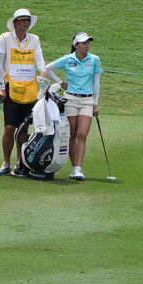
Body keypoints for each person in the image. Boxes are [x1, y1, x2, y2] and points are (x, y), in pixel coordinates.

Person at [0, 9, 49, 177]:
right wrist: (1, 87)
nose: (26, 23)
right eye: (22, 20)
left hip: (29, 89)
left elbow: (39, 61)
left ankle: (20, 163)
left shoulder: (34, 39)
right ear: (15, 22)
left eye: (28, 20)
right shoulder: (4, 38)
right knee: (10, 127)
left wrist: (43, 74)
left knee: (24, 128)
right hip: (11, 87)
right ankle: (6, 162)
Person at [46, 34, 103, 181]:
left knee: (82, 134)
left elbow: (97, 83)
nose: (87, 45)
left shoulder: (94, 59)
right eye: (84, 43)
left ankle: (78, 168)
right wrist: (60, 82)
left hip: (87, 100)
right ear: (76, 45)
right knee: (72, 133)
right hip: (70, 99)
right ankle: (74, 168)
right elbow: (48, 68)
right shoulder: (68, 59)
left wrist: (95, 104)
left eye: (88, 43)